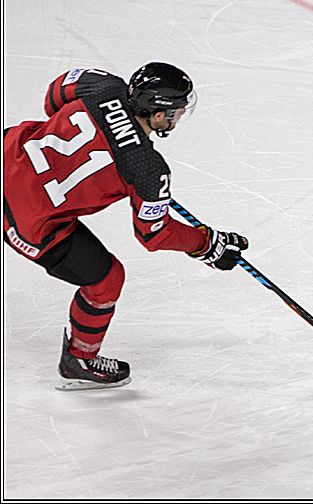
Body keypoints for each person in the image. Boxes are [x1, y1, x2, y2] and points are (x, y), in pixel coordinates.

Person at [3, 63, 249, 390]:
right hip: (26, 221)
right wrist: (205, 244)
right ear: (158, 115)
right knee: (106, 280)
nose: (179, 116)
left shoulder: (101, 85)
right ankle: (79, 360)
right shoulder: (147, 171)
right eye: (177, 111)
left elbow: (52, 98)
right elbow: (154, 234)